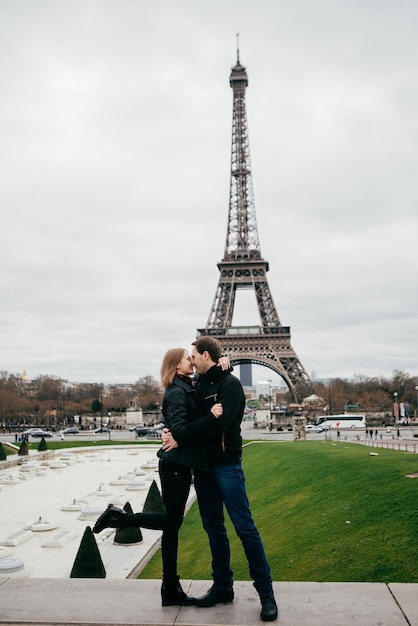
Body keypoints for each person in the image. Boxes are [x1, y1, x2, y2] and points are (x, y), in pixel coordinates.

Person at [92, 347, 223, 607]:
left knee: (171, 527)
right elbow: (181, 430)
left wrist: (222, 363)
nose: (192, 361)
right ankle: (119, 517)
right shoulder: (176, 393)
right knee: (171, 522)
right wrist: (210, 416)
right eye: (188, 358)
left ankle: (170, 588)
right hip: (174, 466)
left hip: (180, 464)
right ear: (176, 365)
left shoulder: (186, 386)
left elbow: (183, 421)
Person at [162, 336, 278, 622]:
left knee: (245, 528)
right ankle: (223, 587)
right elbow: (184, 418)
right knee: (214, 529)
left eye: (193, 356)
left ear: (204, 355)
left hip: (226, 466)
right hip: (203, 468)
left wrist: (181, 439)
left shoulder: (230, 385)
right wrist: (175, 433)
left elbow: (218, 429)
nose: (191, 360)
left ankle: (266, 594)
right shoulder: (197, 384)